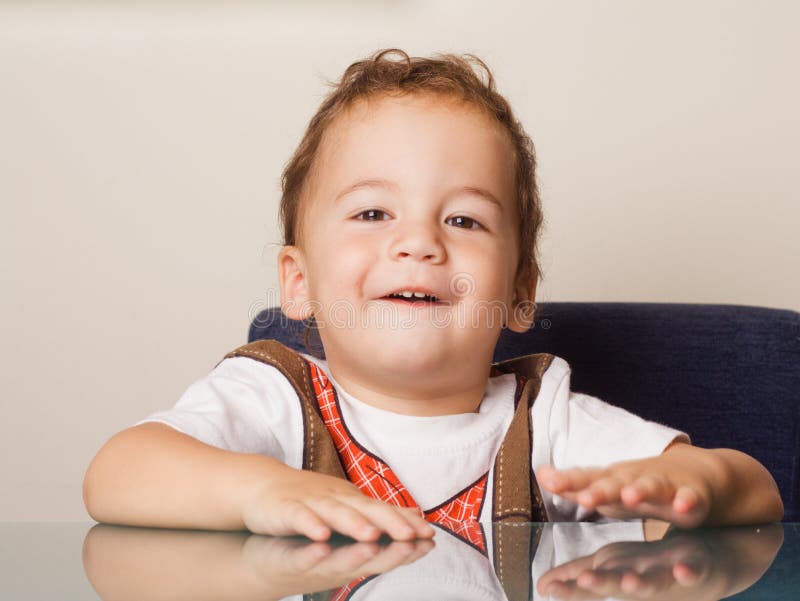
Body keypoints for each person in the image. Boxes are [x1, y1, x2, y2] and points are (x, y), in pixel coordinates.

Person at [83, 49, 783, 543]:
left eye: (463, 220)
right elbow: (117, 472)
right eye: (372, 213)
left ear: (518, 293)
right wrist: (262, 490)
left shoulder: (547, 422)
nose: (419, 243)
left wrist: (693, 485)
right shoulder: (274, 397)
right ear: (296, 282)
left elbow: (757, 490)